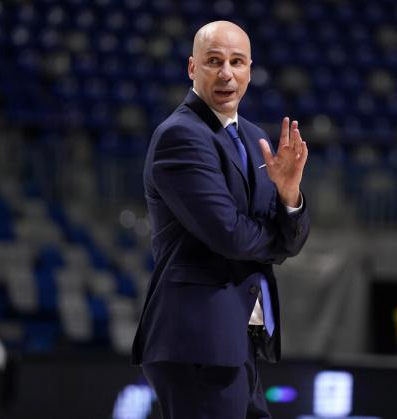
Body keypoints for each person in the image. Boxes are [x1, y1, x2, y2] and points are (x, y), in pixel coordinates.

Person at [131, 21, 310, 418]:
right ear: (192, 68)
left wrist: (290, 196)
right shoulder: (180, 135)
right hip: (197, 341)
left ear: (249, 70)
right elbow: (229, 234)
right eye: (214, 61)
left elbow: (292, 236)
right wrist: (278, 235)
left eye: (236, 61)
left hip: (236, 339)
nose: (226, 72)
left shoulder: (252, 136)